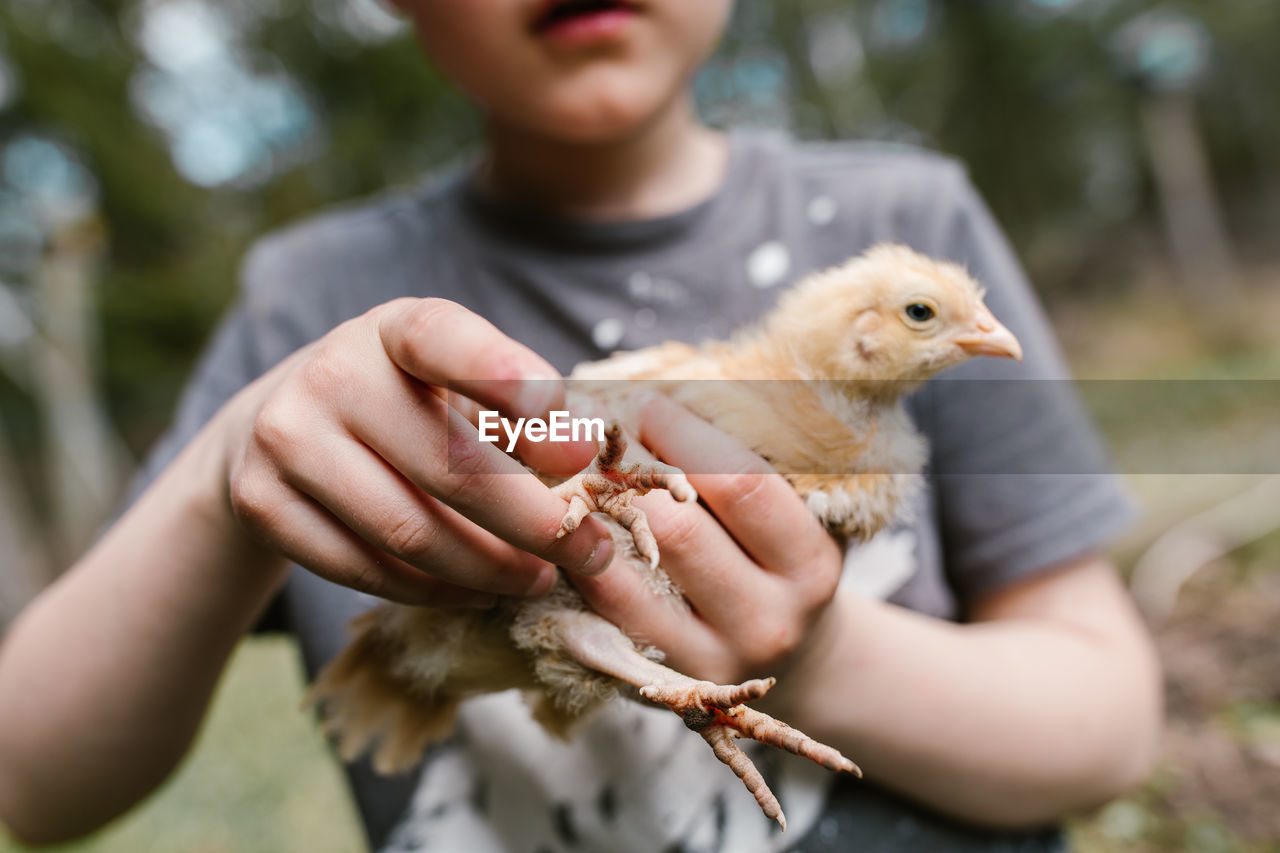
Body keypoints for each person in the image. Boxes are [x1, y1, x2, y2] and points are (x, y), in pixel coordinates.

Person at [0, 2, 1162, 851]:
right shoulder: (303, 306)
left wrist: (816, 658)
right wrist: (224, 466)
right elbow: (32, 779)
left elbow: (1106, 732)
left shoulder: (904, 219)